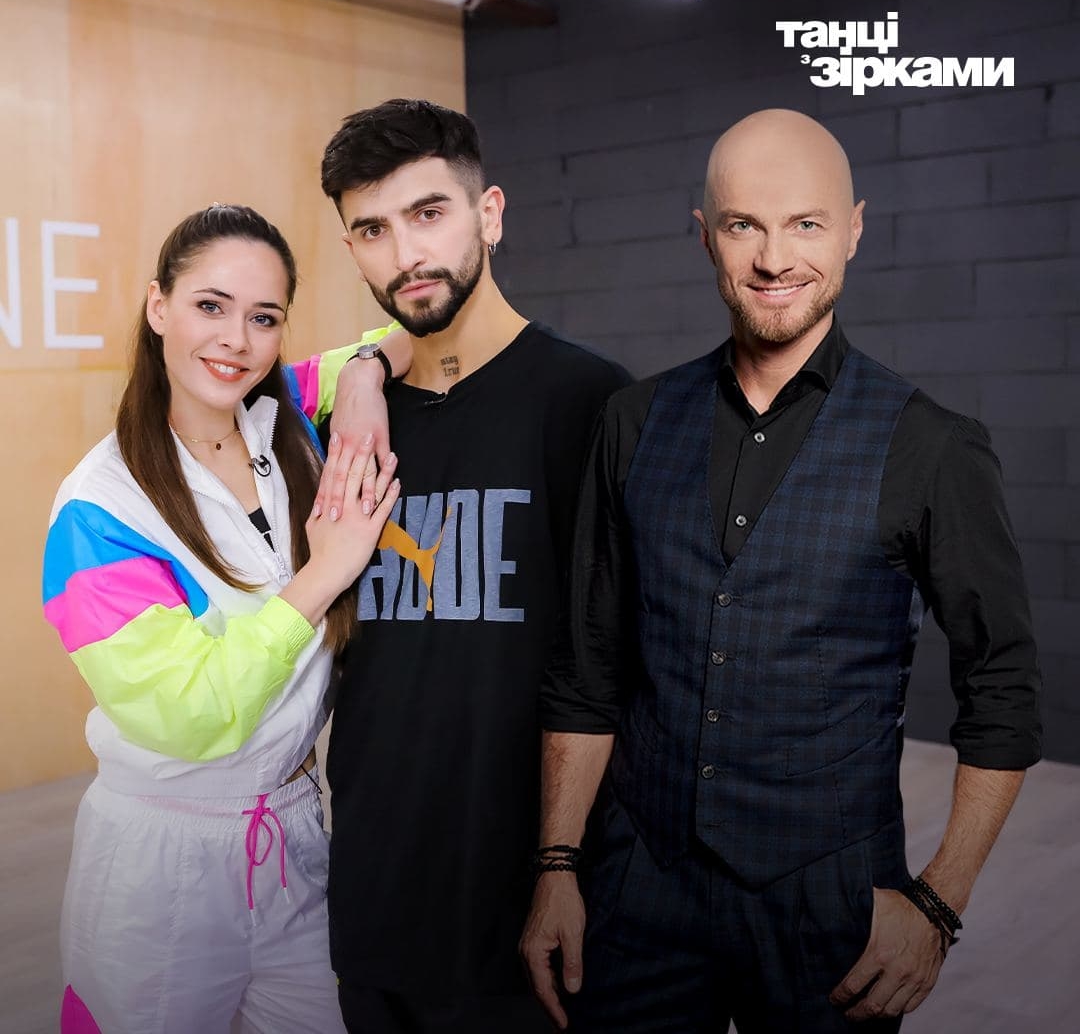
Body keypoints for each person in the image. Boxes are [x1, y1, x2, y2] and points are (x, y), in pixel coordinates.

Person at [521, 109, 1042, 1033]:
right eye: (743, 225)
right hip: (637, 886)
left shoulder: (933, 446)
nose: (773, 258)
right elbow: (586, 669)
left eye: (805, 223)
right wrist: (558, 866)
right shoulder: (632, 424)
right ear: (705, 235)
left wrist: (938, 902)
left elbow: (1002, 686)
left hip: (830, 901)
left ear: (854, 229)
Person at [42, 204, 403, 1034]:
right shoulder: (97, 510)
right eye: (211, 305)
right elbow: (190, 714)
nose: (236, 340)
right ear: (158, 306)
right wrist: (326, 573)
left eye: (264, 317)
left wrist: (361, 377)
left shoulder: (289, 415)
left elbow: (406, 335)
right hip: (157, 869)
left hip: (294, 833)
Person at [317, 98, 629, 1033]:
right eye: (372, 229)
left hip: (527, 900)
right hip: (374, 890)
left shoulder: (589, 400)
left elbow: (610, 666)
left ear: (489, 213)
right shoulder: (342, 426)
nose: (405, 253)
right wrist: (364, 369)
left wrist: (566, 867)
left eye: (429, 213)